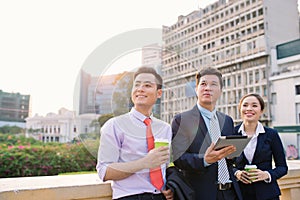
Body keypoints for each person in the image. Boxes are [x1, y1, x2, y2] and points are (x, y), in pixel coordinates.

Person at [96, 66, 173, 200]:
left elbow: (163, 167)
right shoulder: (114, 125)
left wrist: (169, 186)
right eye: (136, 85)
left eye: (147, 85)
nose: (140, 89)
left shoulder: (165, 128)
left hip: (160, 196)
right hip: (129, 196)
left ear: (159, 93)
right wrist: (144, 163)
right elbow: (104, 171)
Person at [171, 67, 243, 200]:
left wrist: (233, 154)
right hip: (200, 193)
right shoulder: (182, 120)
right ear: (196, 89)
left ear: (220, 91)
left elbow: (232, 160)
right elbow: (178, 158)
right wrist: (204, 160)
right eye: (203, 84)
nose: (207, 88)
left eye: (213, 84)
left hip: (230, 192)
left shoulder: (227, 120)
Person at [234, 93, 288, 200]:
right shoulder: (232, 133)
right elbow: (225, 164)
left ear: (261, 111)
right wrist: (237, 173)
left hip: (267, 194)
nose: (249, 109)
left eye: (254, 105)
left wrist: (266, 175)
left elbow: (282, 167)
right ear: (240, 109)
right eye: (245, 105)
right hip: (239, 194)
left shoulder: (271, 134)